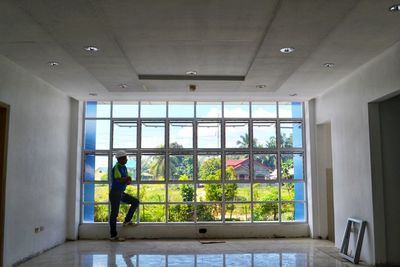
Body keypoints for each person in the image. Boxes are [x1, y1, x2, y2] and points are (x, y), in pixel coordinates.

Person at [109, 150, 139, 241]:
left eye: (126, 158)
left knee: (135, 201)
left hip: (121, 192)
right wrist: (127, 179)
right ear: (120, 159)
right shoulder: (117, 167)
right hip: (115, 193)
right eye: (125, 158)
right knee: (114, 214)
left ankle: (127, 221)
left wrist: (127, 179)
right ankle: (113, 236)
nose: (126, 159)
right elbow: (118, 179)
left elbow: (127, 181)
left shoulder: (124, 167)